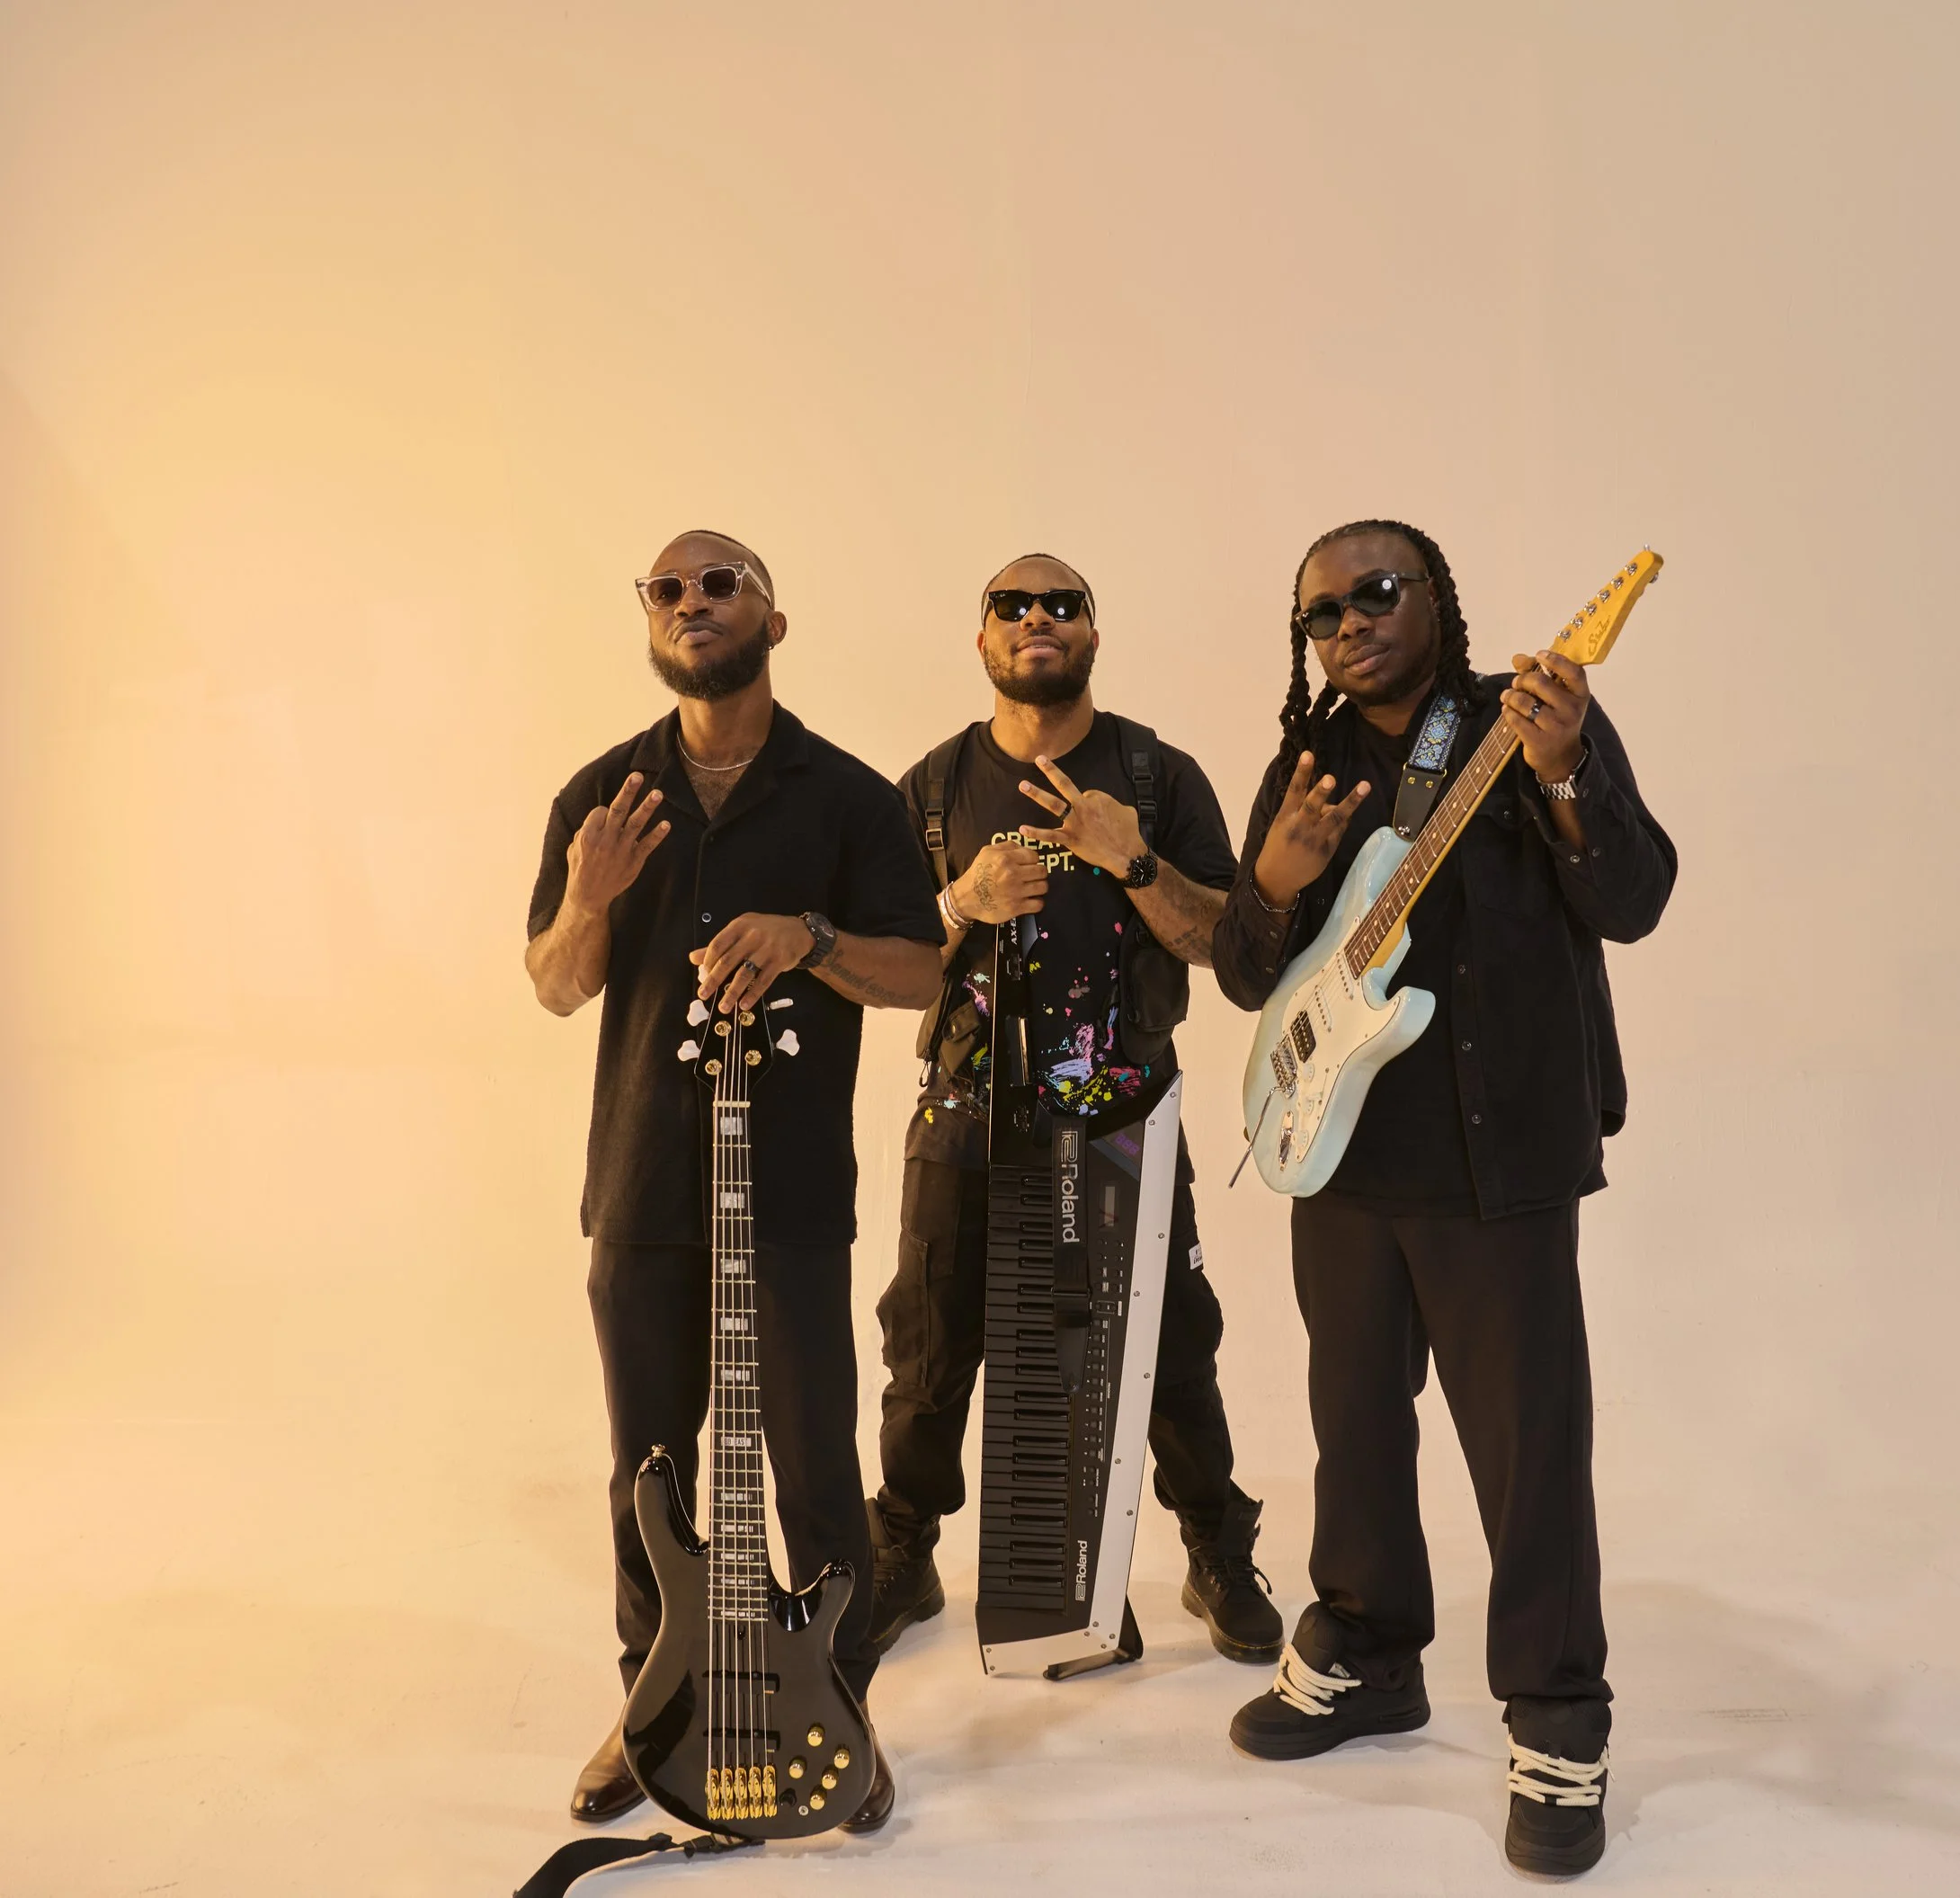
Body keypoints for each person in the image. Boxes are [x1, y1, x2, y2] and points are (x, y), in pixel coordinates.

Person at [1210, 520, 1675, 1878]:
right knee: (1352, 1425)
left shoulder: (1528, 723)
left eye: (1376, 591)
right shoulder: (1307, 766)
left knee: (1528, 1452)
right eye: (1322, 612)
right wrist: (1278, 878)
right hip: (1339, 1155)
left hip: (1502, 1162)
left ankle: (1556, 1720)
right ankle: (1364, 1648)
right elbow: (1249, 972)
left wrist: (1567, 769)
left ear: (1438, 599)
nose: (1349, 621)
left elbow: (1636, 897)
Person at [525, 530, 944, 1830]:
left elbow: (928, 972)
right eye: (669, 588)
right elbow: (554, 982)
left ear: (774, 618)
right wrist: (588, 898)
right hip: (644, 1184)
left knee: (815, 1463)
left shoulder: (852, 798)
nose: (693, 601)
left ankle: (835, 1705)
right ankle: (654, 1701)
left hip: (794, 1192)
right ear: (648, 621)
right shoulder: (601, 796)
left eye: (722, 584)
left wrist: (813, 936)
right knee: (648, 1465)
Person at [865, 553, 1284, 1667]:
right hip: (961, 1111)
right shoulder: (931, 784)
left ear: (1094, 632)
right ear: (982, 636)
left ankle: (1214, 1548)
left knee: (1171, 1345)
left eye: (1062, 604)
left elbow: (1223, 942)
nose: (1037, 618)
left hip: (1122, 1110)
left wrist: (1129, 854)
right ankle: (901, 1553)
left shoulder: (1157, 774)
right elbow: (888, 962)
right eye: (1013, 604)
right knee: (929, 1343)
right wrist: (965, 896)